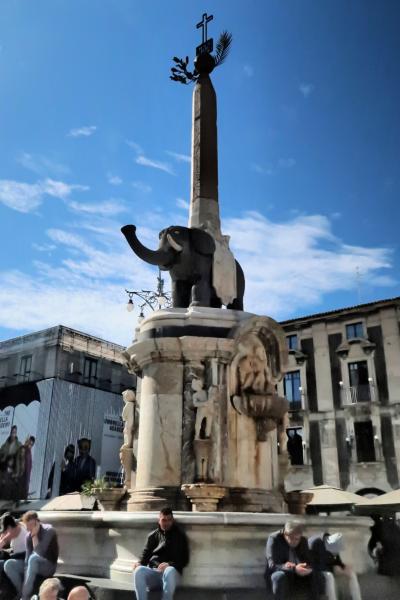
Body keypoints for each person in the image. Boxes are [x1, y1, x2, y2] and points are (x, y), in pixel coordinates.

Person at [133, 507, 189, 600]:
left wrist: (169, 564)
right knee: (138, 570)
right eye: (163, 520)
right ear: (159, 520)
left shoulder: (180, 536)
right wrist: (139, 563)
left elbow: (184, 559)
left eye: (169, 520)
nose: (166, 523)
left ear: (172, 521)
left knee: (169, 570)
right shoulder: (152, 536)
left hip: (172, 575)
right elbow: (145, 556)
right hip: (155, 574)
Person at [4, 511, 59, 600]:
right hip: (33, 564)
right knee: (9, 564)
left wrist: (34, 536)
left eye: (31, 525)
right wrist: (26, 571)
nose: (29, 529)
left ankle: (24, 597)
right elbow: (27, 559)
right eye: (27, 526)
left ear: (37, 522)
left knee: (33, 559)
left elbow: (40, 552)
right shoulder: (28, 536)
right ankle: (21, 592)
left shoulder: (49, 530)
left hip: (49, 565)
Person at [265, 520, 323, 600]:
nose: (294, 541)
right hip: (282, 575)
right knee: (279, 576)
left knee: (316, 575)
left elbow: (309, 561)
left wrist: (307, 568)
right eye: (291, 538)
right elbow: (272, 565)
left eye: (297, 539)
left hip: (297, 577)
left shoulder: (303, 541)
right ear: (285, 534)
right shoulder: (274, 539)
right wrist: (294, 569)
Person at [308, 531, 362, 600]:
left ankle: (357, 598)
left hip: (329, 567)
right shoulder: (318, 544)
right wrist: (336, 569)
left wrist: (344, 567)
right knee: (329, 576)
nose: (336, 552)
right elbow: (319, 565)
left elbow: (337, 561)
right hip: (318, 569)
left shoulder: (334, 544)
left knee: (352, 573)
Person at [0, 513, 27, 578]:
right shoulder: (19, 525)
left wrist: (3, 537)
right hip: (21, 554)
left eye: (5, 529)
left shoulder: (13, 532)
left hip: (22, 557)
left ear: (9, 527)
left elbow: (2, 543)